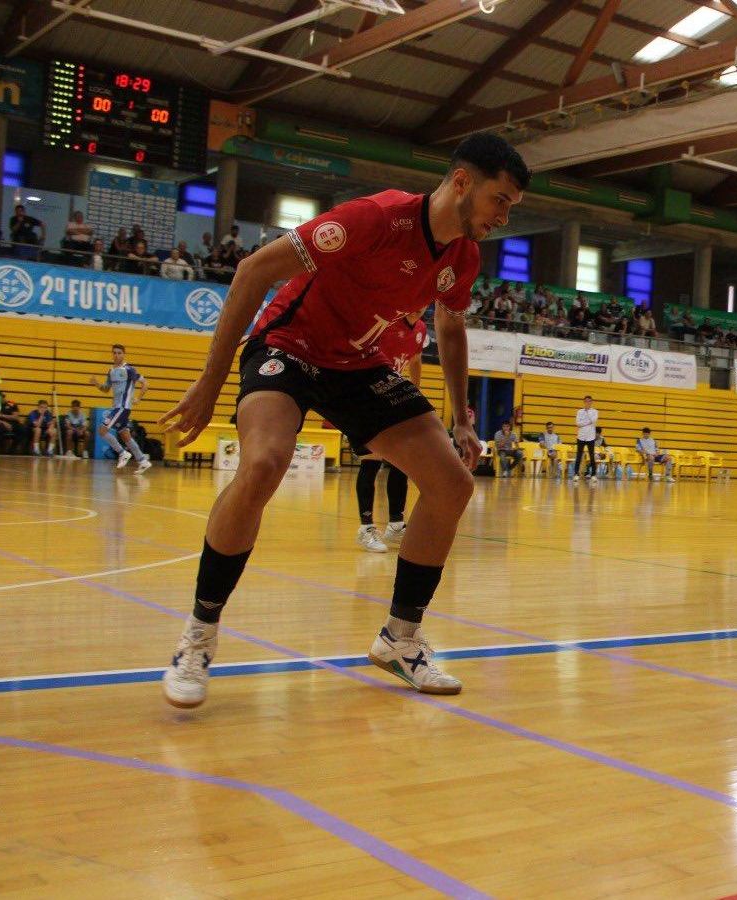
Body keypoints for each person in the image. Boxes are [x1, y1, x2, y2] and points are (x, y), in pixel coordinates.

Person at [156, 133, 528, 708]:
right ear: (462, 182)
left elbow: (451, 330)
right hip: (290, 345)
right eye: (500, 200)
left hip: (359, 364)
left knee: (452, 484)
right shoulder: (375, 218)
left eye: (510, 207)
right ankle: (198, 637)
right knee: (262, 465)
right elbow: (254, 270)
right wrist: (210, 381)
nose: (504, 215)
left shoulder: (463, 257)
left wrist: (462, 420)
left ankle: (399, 640)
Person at [356, 314, 426, 553]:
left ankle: (395, 524)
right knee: (371, 462)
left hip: (393, 398)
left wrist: (414, 391)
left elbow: (416, 359)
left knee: (402, 463)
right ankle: (366, 528)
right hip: (367, 397)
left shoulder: (421, 328)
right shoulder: (388, 322)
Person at [95, 343, 151, 471]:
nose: (116, 355)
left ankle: (122, 453)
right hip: (117, 407)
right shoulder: (111, 371)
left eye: (119, 353)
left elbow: (145, 383)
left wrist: (138, 398)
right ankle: (142, 460)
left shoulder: (129, 370)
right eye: (114, 353)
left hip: (123, 407)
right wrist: (97, 384)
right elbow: (106, 389)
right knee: (125, 435)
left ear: (123, 354)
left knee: (102, 430)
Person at [572, 395, 598, 482]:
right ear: (584, 402)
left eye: (589, 401)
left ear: (591, 402)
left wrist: (587, 414)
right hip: (581, 436)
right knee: (579, 456)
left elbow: (593, 420)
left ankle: (593, 475)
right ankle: (576, 474)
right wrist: (588, 422)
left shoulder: (595, 411)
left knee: (592, 456)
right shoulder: (579, 411)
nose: (587, 403)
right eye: (586, 401)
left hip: (590, 437)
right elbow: (578, 423)